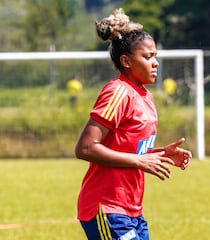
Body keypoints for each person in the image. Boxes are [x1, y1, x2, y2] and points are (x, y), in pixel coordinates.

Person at [75, 8, 192, 240]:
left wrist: (159, 154)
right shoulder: (118, 92)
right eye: (147, 57)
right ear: (126, 61)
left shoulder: (144, 96)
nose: (155, 62)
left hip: (131, 209)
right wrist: (140, 160)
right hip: (107, 206)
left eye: (155, 56)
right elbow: (86, 147)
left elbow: (127, 150)